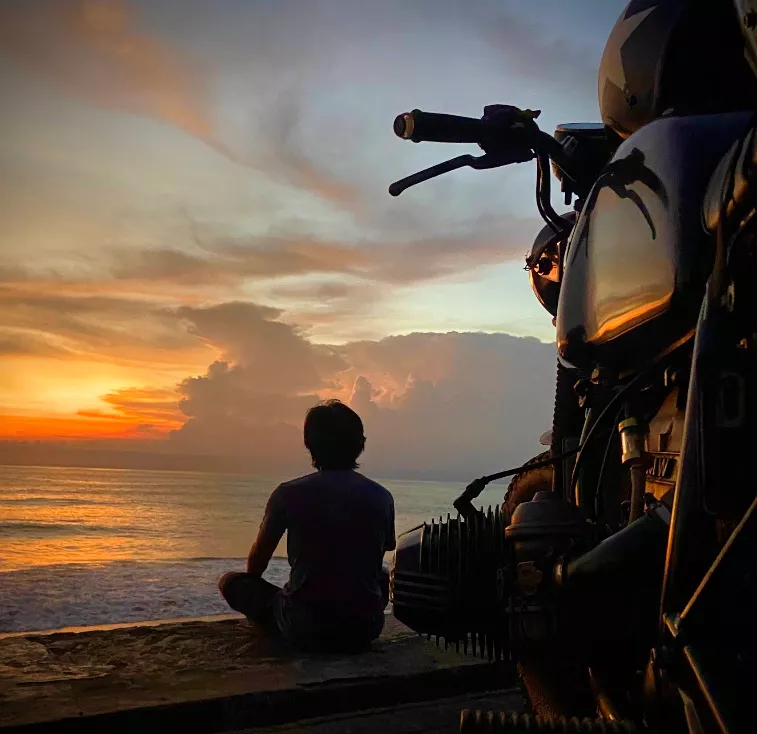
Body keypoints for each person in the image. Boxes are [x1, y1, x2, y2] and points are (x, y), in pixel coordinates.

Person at [218, 399, 396, 651]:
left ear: (309, 445)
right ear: (360, 445)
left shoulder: (288, 494)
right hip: (365, 627)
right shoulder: (381, 496)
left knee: (230, 582)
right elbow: (381, 552)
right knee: (383, 576)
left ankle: (270, 629)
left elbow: (257, 563)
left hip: (304, 624)